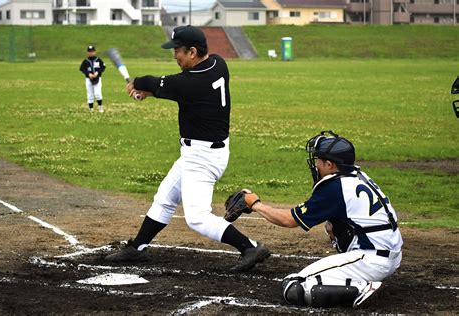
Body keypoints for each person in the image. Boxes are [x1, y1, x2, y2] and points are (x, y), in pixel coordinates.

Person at [105, 25, 271, 272]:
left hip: (203, 157)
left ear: (193, 52)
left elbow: (155, 82)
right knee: (165, 197)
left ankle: (250, 247)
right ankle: (137, 247)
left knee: (197, 217)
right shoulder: (218, 64)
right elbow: (166, 87)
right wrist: (146, 92)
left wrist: (137, 85)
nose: (175, 56)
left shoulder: (191, 82)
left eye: (178, 51)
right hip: (199, 152)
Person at [242, 131, 403, 308]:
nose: (315, 165)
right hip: (389, 254)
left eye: (318, 160)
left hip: (371, 260)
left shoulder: (335, 188)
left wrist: (255, 204)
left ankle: (361, 287)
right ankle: (358, 278)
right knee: (331, 225)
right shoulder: (357, 175)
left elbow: (289, 220)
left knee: (295, 287)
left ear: (329, 164)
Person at [79, 45, 106, 112]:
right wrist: (88, 73)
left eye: (92, 51)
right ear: (87, 52)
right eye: (89, 51)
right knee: (90, 94)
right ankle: (91, 109)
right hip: (88, 79)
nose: (91, 53)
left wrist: (98, 72)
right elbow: (82, 69)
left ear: (95, 52)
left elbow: (103, 67)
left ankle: (100, 107)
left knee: (98, 93)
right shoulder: (86, 61)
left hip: (97, 78)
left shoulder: (98, 60)